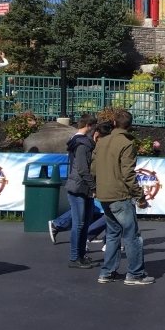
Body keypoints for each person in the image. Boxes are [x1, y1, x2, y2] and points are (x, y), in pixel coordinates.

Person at [92, 110, 153, 285]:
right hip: (120, 195)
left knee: (112, 234)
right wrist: (140, 196)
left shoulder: (101, 143)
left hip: (104, 194)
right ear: (130, 125)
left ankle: (107, 272)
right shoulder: (126, 143)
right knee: (132, 235)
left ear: (113, 123)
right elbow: (128, 174)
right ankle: (135, 274)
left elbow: (93, 169)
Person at [62, 114, 98, 269]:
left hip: (82, 186)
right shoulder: (82, 145)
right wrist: (93, 185)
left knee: (83, 223)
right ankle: (75, 257)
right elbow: (83, 169)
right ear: (89, 126)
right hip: (79, 186)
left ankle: (81, 255)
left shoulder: (78, 142)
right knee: (79, 223)